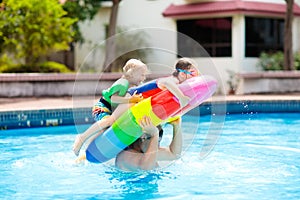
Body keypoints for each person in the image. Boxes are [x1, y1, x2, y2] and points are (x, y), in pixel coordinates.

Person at [73, 57, 199, 157]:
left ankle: (89, 150)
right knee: (111, 121)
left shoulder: (178, 85)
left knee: (110, 128)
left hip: (135, 101)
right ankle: (82, 138)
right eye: (192, 73)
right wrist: (182, 98)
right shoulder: (173, 81)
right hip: (131, 97)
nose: (195, 76)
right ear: (182, 74)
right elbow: (166, 84)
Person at [72, 59, 148, 156]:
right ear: (132, 74)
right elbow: (114, 99)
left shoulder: (131, 84)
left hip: (109, 108)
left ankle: (87, 151)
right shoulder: (123, 83)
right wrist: (130, 100)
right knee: (108, 121)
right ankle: (82, 137)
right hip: (102, 107)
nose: (144, 78)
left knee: (105, 130)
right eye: (142, 74)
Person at [115, 115, 182, 171]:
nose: (157, 145)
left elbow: (174, 154)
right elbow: (146, 168)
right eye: (156, 140)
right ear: (143, 137)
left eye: (159, 139)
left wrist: (177, 126)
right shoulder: (124, 155)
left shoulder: (146, 151)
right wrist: (155, 135)